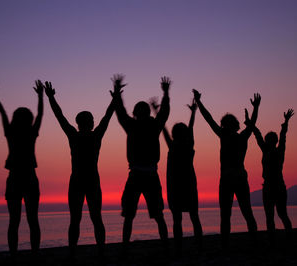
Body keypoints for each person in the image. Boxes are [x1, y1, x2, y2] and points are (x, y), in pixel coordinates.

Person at [44, 79, 115, 256]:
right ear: (90, 123)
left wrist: (51, 98)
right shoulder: (93, 136)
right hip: (88, 180)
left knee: (77, 219)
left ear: (78, 123)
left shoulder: (75, 136)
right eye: (91, 120)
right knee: (94, 218)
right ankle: (99, 250)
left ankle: (75, 252)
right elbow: (107, 116)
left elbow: (60, 116)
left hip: (78, 180)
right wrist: (115, 99)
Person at [193, 89, 260, 248]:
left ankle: (227, 245)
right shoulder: (240, 136)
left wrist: (199, 101)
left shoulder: (227, 136)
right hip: (238, 178)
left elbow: (209, 119)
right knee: (245, 212)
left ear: (226, 125)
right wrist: (256, 108)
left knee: (229, 214)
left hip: (230, 178)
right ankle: (251, 243)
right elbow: (251, 125)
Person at [111, 75, 170, 248]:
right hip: (139, 174)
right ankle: (127, 246)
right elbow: (121, 112)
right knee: (132, 215)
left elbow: (121, 112)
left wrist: (166, 94)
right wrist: (116, 93)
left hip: (146, 174)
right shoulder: (139, 125)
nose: (142, 113)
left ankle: (163, 245)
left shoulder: (147, 126)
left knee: (154, 215)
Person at [0, 79, 43, 255]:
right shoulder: (29, 132)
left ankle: (14, 255)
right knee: (30, 220)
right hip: (26, 177)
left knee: (16, 220)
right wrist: (41, 96)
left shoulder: (12, 132)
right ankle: (32, 254)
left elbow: (3, 113)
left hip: (17, 178)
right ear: (29, 119)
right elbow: (40, 114)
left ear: (15, 118)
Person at [150, 95, 203, 250]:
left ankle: (179, 245)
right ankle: (199, 243)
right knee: (194, 216)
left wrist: (155, 111)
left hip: (175, 187)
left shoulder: (173, 146)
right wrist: (193, 113)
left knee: (177, 219)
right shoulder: (188, 145)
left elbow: (164, 129)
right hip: (189, 185)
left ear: (175, 134)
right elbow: (191, 128)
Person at [246, 109, 294, 242]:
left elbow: (281, 136)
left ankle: (282, 236)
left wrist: (286, 122)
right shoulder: (269, 150)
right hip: (272, 186)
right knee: (274, 214)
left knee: (278, 214)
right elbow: (258, 135)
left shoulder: (277, 151)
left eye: (269, 140)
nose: (267, 142)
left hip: (276, 186)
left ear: (272, 141)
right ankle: (276, 237)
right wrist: (251, 124)